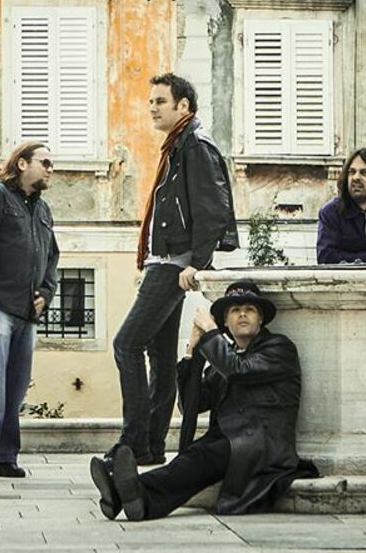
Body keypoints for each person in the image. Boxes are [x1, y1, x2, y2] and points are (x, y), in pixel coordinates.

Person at [91, 280, 318, 520]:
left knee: (198, 459)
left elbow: (238, 370)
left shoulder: (279, 348)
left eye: (250, 309)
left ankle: (122, 492)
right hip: (230, 440)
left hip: (262, 445)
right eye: (235, 310)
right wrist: (191, 352)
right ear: (226, 322)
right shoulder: (224, 359)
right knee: (188, 460)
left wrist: (210, 332)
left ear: (260, 319)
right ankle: (132, 499)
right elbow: (192, 405)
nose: (242, 314)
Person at [111, 73, 239, 466]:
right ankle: (151, 446)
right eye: (151, 101)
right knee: (160, 354)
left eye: (160, 101)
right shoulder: (179, 144)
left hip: (173, 265)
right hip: (165, 262)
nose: (152, 108)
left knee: (126, 344)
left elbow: (213, 207)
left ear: (183, 106)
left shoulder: (194, 145)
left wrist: (197, 262)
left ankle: (132, 442)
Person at [0, 142, 60, 479]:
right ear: (21, 163)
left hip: (27, 313)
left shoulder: (43, 210)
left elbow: (52, 257)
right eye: (45, 162)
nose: (50, 169)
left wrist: (46, 293)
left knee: (15, 387)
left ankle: (6, 456)